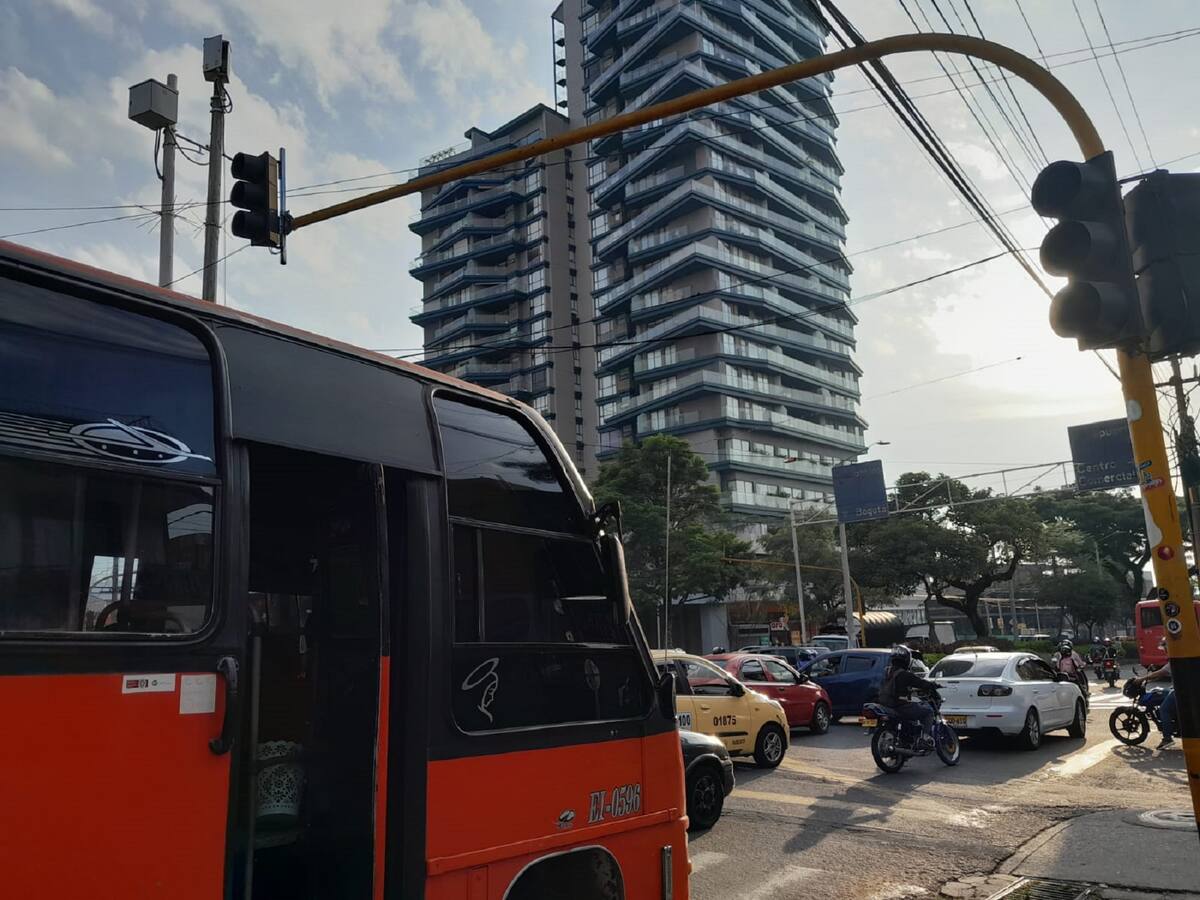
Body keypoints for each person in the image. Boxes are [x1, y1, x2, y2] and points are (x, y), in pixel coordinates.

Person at [877, 645, 941, 749]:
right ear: (906, 660)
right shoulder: (905, 675)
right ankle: (924, 739)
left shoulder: (886, 672)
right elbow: (921, 683)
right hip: (900, 706)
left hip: (885, 704)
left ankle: (907, 738)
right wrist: (933, 685)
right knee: (928, 712)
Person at [1132, 640, 1176, 749]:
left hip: (1180, 691)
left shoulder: (1175, 661)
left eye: (1166, 649)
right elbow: (1162, 673)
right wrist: (1151, 679)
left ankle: (1167, 738)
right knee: (1160, 691)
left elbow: (1162, 672)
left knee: (1163, 709)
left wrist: (1142, 678)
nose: (1165, 651)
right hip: (1179, 688)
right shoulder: (1177, 659)